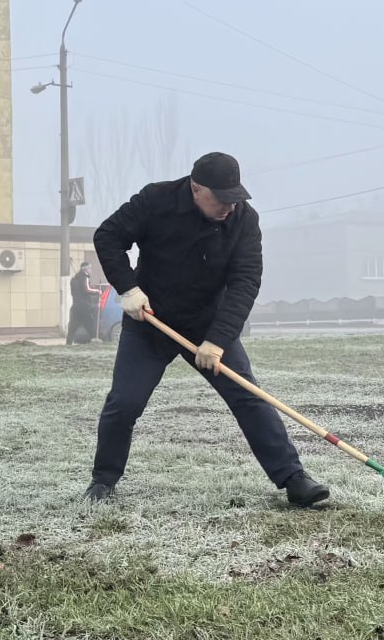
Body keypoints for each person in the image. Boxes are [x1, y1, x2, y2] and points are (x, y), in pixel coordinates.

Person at [86, 151, 330, 507]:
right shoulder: (156, 200)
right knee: (124, 402)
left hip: (209, 323)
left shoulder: (244, 220)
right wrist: (128, 288)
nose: (229, 207)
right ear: (196, 187)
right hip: (150, 320)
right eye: (221, 199)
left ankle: (294, 478)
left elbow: (246, 280)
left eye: (235, 198)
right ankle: (103, 480)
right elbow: (107, 236)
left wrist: (216, 340)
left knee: (248, 397)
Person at [66, 261, 101, 345]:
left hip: (75, 306)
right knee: (89, 324)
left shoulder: (74, 279)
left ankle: (68, 343)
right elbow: (87, 289)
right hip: (84, 306)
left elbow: (73, 293)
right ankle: (94, 339)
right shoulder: (85, 277)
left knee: (73, 327)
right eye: (90, 268)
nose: (91, 270)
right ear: (86, 269)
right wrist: (98, 291)